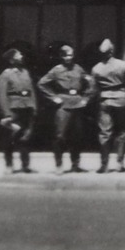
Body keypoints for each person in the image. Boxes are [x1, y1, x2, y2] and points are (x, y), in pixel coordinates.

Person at [38, 44, 92, 174]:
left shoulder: (78, 68)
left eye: (71, 55)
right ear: (61, 56)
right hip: (63, 105)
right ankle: (59, 164)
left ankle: (75, 164)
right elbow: (41, 83)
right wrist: (53, 97)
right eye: (66, 55)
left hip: (77, 104)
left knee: (77, 136)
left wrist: (86, 98)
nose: (69, 58)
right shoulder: (56, 70)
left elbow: (91, 82)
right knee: (60, 136)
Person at [90, 38, 125, 173]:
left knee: (104, 133)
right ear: (112, 51)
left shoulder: (96, 69)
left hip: (105, 101)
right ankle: (120, 163)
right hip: (121, 100)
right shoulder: (124, 66)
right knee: (122, 132)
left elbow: (93, 89)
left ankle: (104, 164)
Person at [0, 48, 37, 174]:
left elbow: (31, 91)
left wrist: (34, 107)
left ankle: (25, 165)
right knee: (9, 139)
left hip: (26, 108)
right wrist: (7, 113)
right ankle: (9, 165)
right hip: (13, 109)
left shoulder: (25, 72)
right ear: (12, 59)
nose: (21, 56)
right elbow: (1, 95)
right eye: (19, 54)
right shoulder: (6, 74)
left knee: (25, 137)